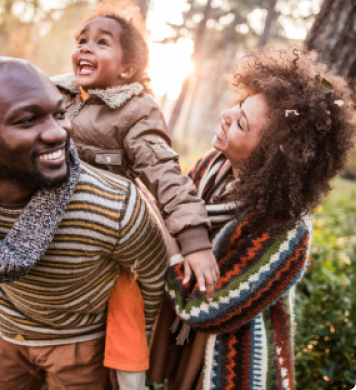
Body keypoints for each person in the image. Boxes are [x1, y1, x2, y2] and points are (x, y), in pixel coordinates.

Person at [0, 0, 219, 388]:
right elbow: (5, 98)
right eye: (82, 39)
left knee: (127, 294)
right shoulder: (63, 90)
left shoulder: (136, 111)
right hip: (41, 199)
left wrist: (194, 240)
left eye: (102, 43)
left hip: (101, 213)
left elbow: (165, 173)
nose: (86, 47)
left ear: (127, 69)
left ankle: (129, 371)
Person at [0, 57, 167, 390]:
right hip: (6, 334)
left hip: (81, 346)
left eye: (59, 114)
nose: (58, 132)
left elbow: (151, 278)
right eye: (28, 120)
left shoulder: (114, 205)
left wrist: (126, 352)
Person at [146, 47, 356, 390]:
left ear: (271, 157)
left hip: (231, 361)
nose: (226, 115)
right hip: (181, 349)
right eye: (238, 105)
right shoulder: (211, 166)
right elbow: (167, 206)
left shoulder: (286, 232)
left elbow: (208, 310)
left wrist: (172, 244)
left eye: (241, 122)